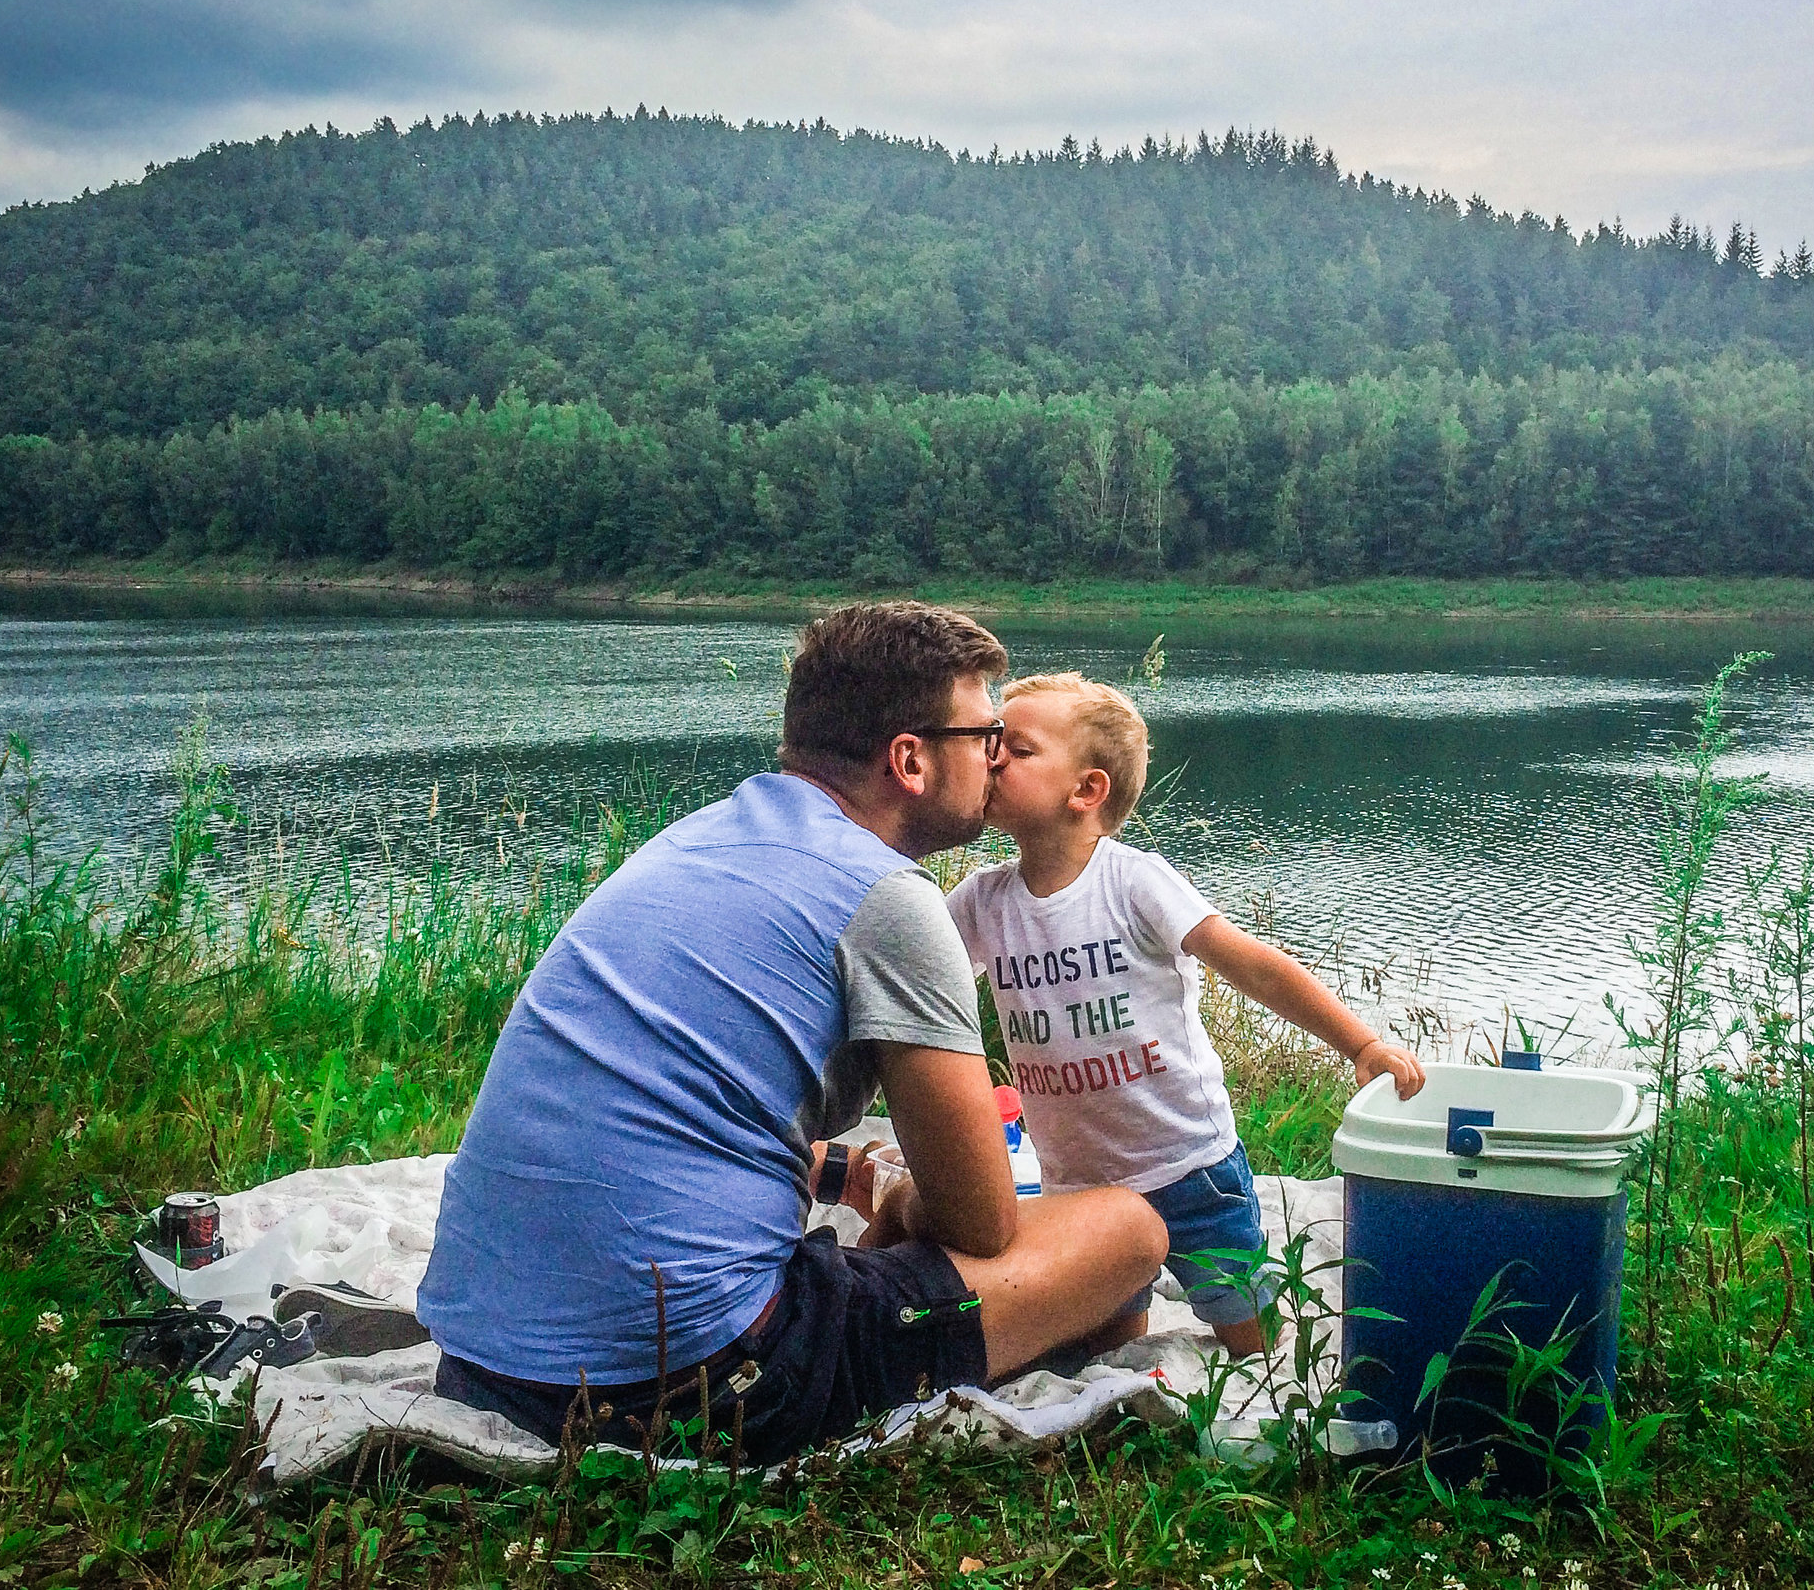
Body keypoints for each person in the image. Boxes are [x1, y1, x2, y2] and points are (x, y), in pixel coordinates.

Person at [416, 604, 1168, 1458]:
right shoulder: (888, 896)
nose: (997, 752)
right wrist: (903, 1198)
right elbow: (982, 1221)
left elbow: (674, 1101)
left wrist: (845, 1170)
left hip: (484, 1361)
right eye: (984, 730)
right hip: (690, 1380)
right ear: (910, 758)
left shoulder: (699, 839)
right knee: (1129, 1230)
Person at [945, 672, 1426, 1359]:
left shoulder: (1133, 880)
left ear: (1087, 790)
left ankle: (1262, 1368)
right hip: (1080, 1185)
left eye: (1015, 749)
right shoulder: (980, 901)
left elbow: (1253, 964)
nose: (990, 759)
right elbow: (910, 985)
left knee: (1250, 1336)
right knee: (1112, 1350)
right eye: (989, 744)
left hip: (1187, 1163)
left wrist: (1361, 1044)